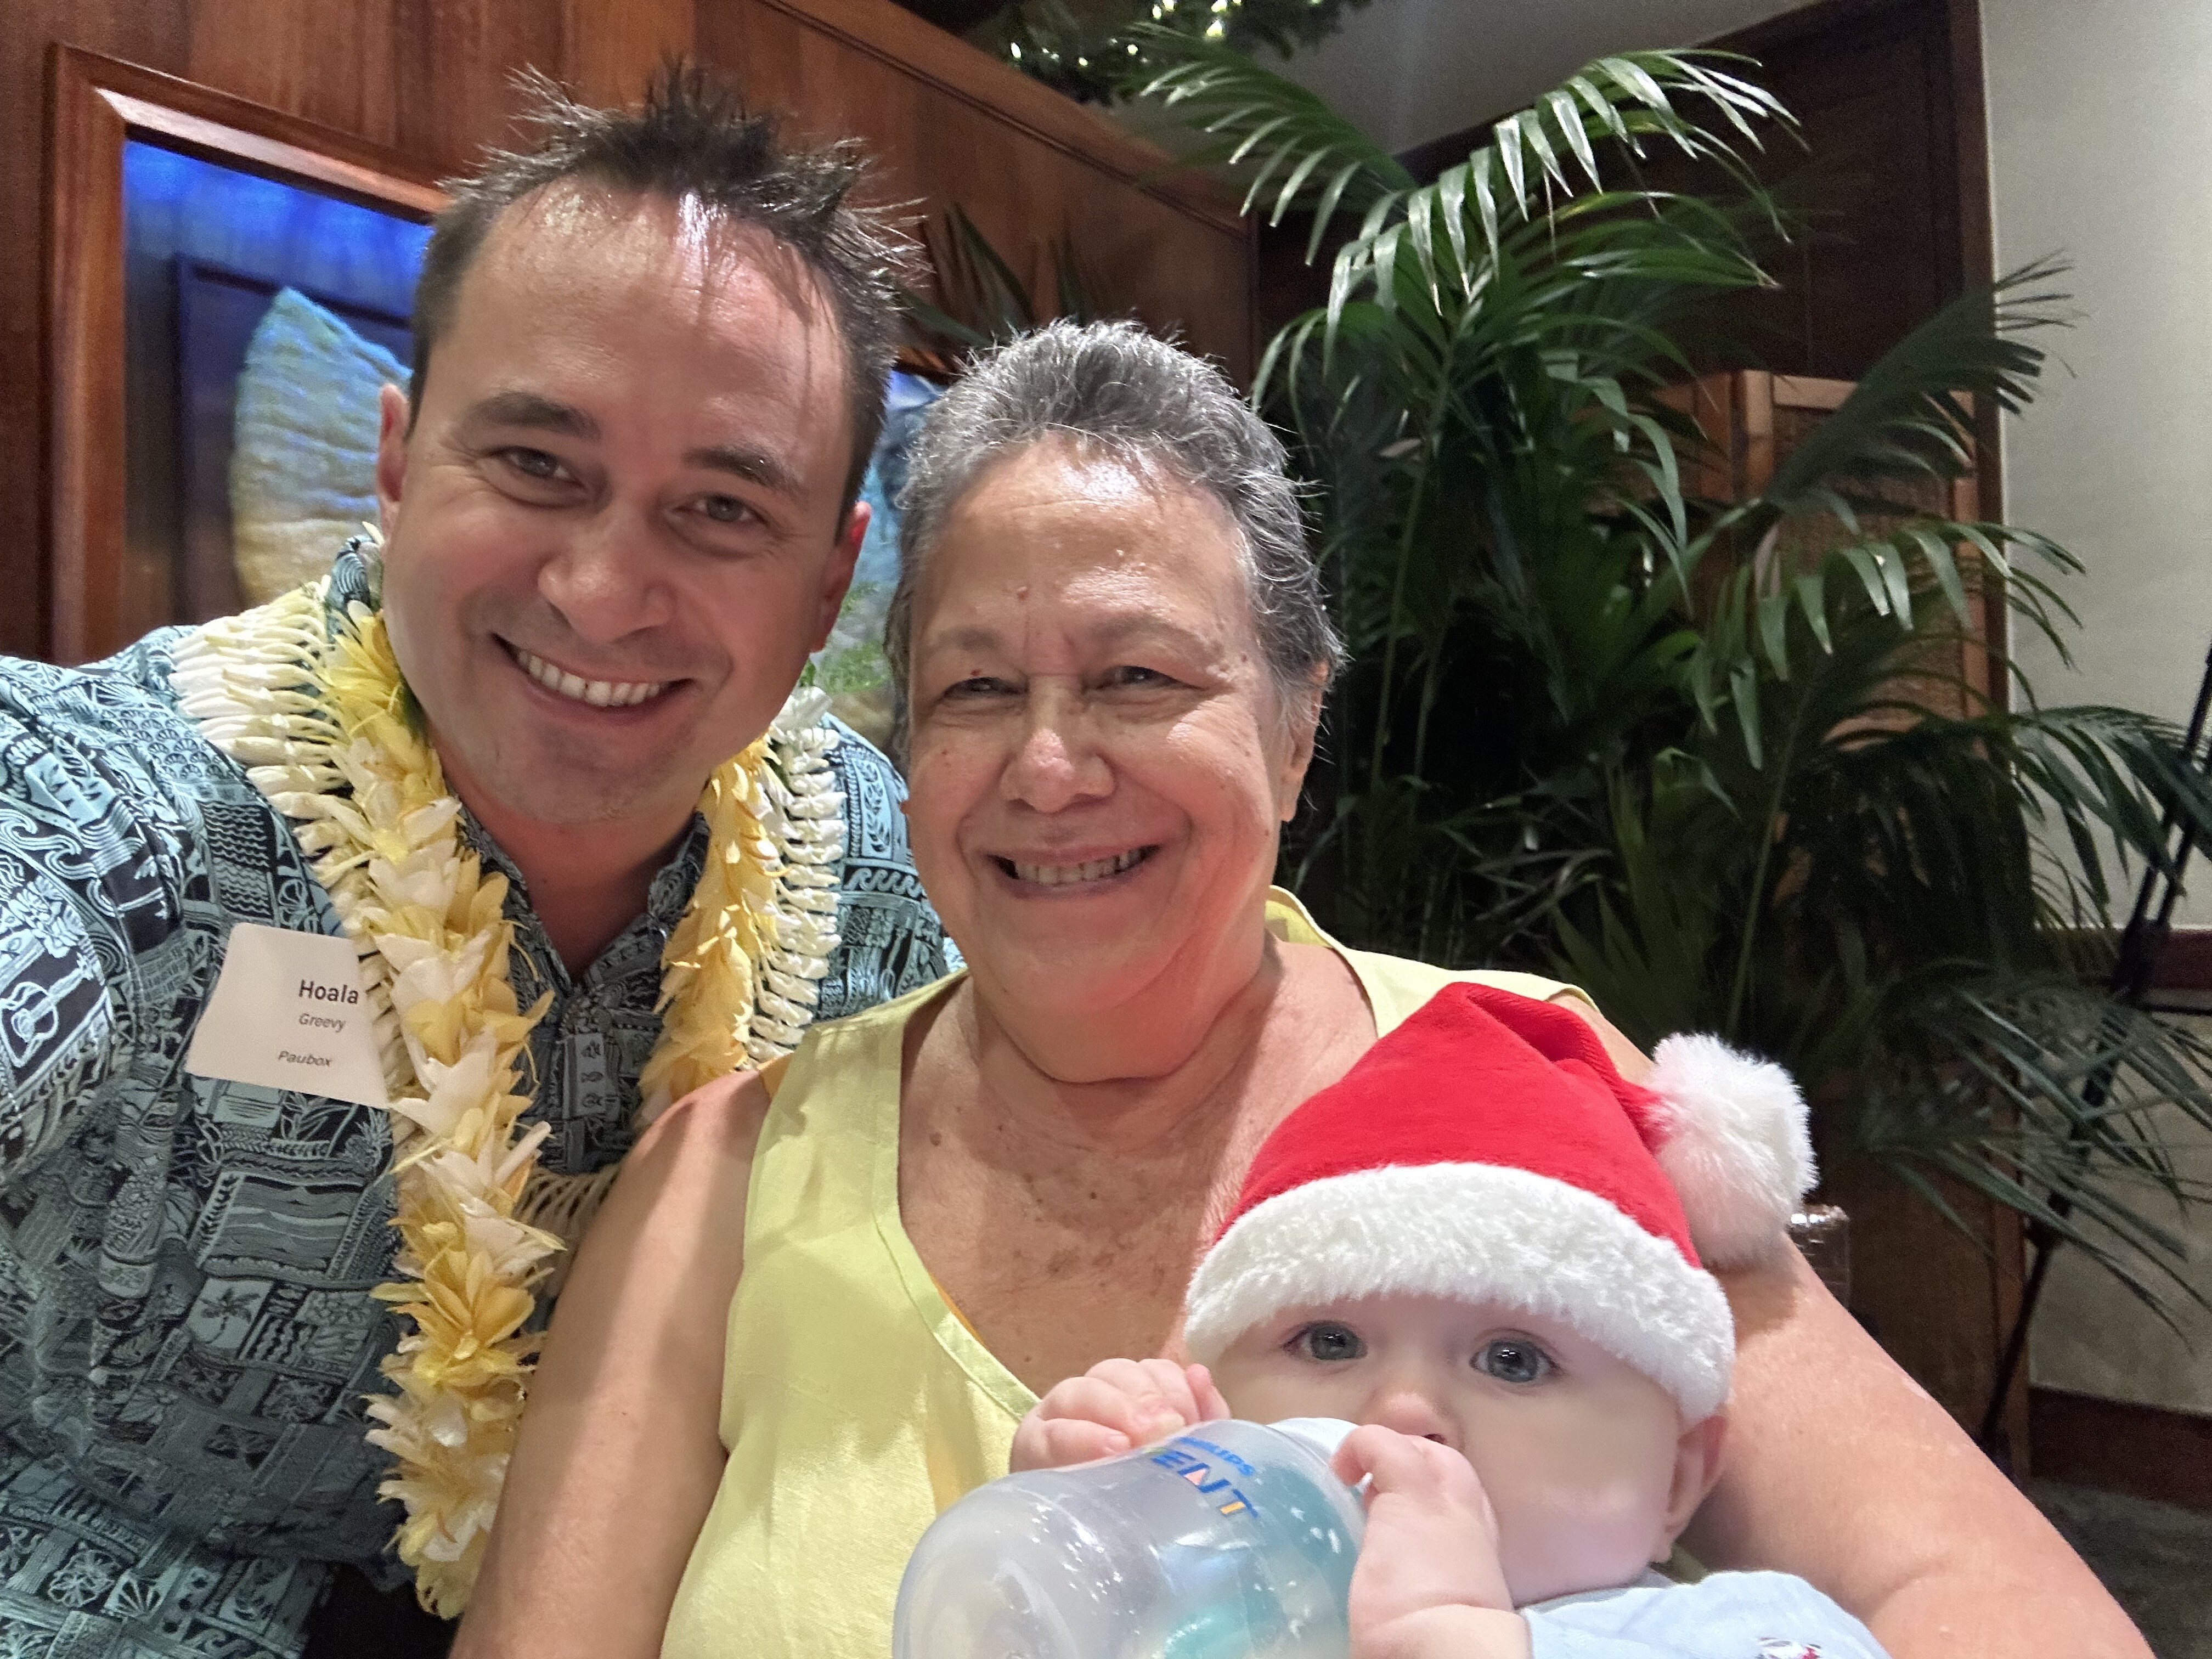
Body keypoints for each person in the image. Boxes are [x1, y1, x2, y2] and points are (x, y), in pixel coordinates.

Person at [457, 320, 2152, 1659]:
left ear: (1294, 723)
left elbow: (2005, 1611)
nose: (1049, 769)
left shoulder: (1529, 1092)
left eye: (1137, 676)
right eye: (974, 689)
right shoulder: (727, 1174)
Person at [0, 69, 955, 1658]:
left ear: (831, 579)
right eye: (535, 467)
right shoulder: (111, 805)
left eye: (722, 508)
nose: (599, 592)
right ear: (397, 460)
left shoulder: (885, 883)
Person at [1008, 980, 1886, 1659]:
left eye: (1514, 1360)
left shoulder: (1735, 1630)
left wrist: (1467, 1635)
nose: (1401, 1414)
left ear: (1676, 1483)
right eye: (1329, 1341)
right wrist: (1093, 1546)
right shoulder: (1217, 1621)